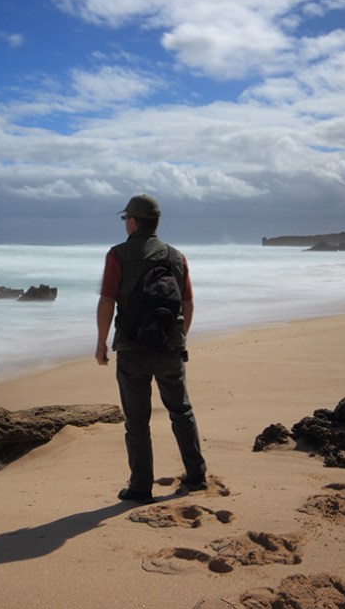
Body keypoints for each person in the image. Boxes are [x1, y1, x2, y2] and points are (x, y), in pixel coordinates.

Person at [95, 194, 208, 504]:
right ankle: (197, 476)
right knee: (181, 411)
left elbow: (106, 302)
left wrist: (101, 343)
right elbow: (187, 304)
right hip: (170, 346)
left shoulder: (117, 255)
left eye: (125, 219)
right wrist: (178, 338)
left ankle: (141, 487)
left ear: (133, 222)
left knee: (137, 421)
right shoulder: (177, 257)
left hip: (132, 348)